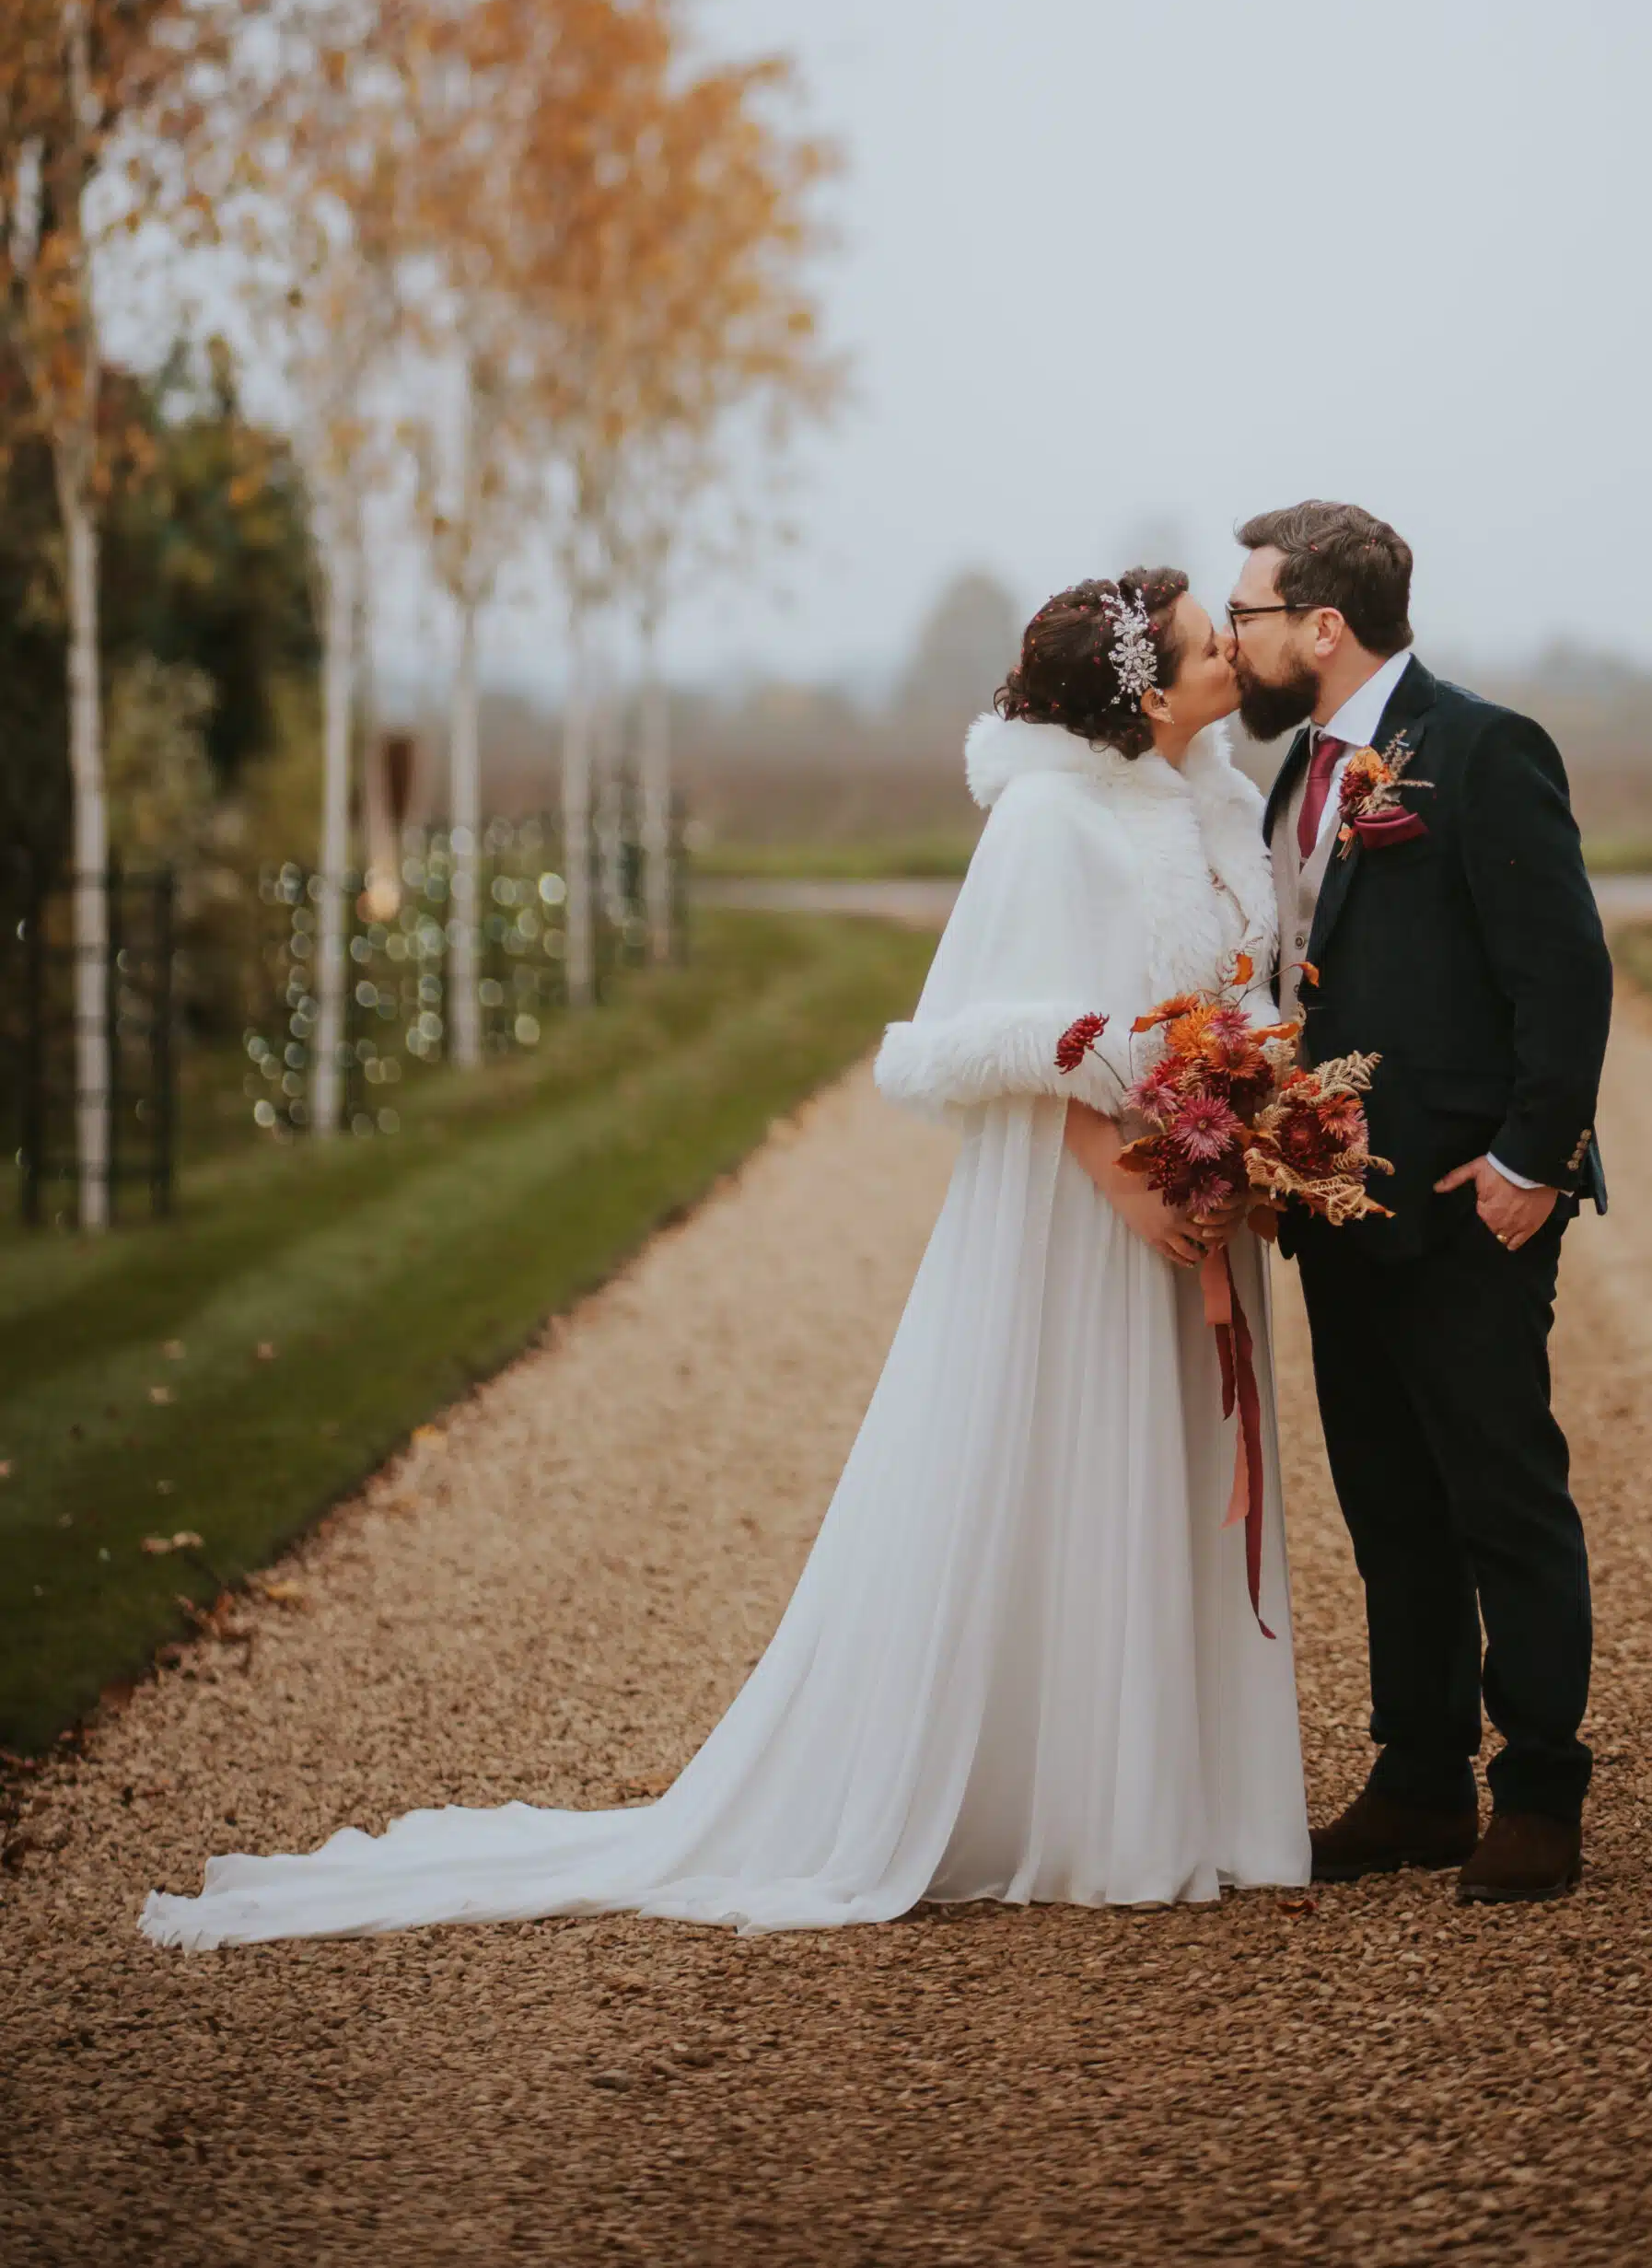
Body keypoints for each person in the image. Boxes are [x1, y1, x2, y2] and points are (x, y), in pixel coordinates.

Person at [140, 571, 1309, 1948]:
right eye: (1204, 644)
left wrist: (1244, 1131)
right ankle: (1078, 1802)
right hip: (1086, 1220)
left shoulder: (1211, 804)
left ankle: (1184, 1793)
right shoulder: (1051, 819)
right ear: (1145, 691)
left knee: (1171, 1466)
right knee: (1073, 1458)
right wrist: (1122, 1176)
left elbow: (1220, 998)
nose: (1231, 653)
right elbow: (1019, 1030)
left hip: (1189, 1205)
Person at [1227, 499, 1611, 1905]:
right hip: (1340, 1200)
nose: (1236, 637)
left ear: (1323, 625)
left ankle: (1541, 1785)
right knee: (1389, 1495)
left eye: (1251, 613)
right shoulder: (1299, 775)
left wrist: (1532, 1158)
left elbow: (1564, 970)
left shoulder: (1483, 749)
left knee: (1500, 1485)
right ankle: (1420, 1777)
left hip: (1466, 1199)